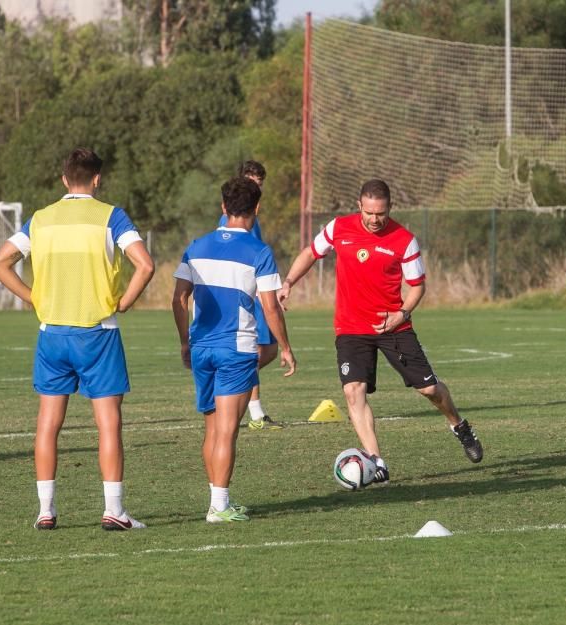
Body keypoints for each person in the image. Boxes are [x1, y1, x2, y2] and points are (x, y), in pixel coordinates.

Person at [0, 147, 155, 531]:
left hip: (52, 333)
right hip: (98, 333)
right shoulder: (111, 216)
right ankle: (114, 510)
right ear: (97, 179)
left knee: (48, 423)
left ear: (64, 179)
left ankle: (45, 511)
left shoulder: (41, 219)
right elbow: (144, 265)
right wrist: (125, 301)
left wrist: (33, 297)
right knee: (108, 424)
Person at [279, 179, 482, 484]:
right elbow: (310, 253)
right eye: (370, 213)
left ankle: (459, 425)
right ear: (359, 205)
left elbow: (417, 287)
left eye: (381, 213)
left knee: (429, 390)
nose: (375, 219)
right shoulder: (339, 228)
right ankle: (377, 463)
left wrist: (401, 313)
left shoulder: (404, 240)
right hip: (350, 327)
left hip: (393, 325)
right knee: (352, 391)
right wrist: (289, 282)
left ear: (390, 208)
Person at [172, 176, 296, 523]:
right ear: (256, 208)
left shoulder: (196, 245)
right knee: (227, 431)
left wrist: (185, 340)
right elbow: (270, 306)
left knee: (212, 429)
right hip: (237, 349)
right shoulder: (259, 251)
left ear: (224, 207)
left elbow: (178, 298)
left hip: (203, 348)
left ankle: (217, 502)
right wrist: (284, 347)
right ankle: (220, 507)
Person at [216, 160, 283, 430]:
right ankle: (254, 412)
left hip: (256, 294)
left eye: (259, 182)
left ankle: (249, 405)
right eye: (251, 181)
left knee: (266, 350)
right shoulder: (234, 218)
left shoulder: (253, 217)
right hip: (247, 297)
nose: (256, 186)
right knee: (259, 352)